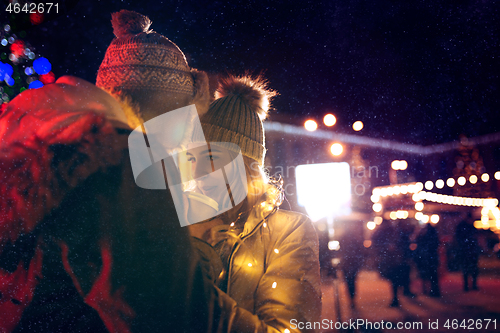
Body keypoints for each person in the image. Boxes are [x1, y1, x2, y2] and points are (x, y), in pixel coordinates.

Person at [0, 10, 214, 332]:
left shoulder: (22, 127)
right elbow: (171, 314)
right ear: (164, 113)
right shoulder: (122, 160)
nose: (183, 144)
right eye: (183, 122)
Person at [185, 74, 322, 332]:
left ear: (246, 165)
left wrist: (197, 291)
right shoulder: (181, 225)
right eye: (192, 157)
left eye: (211, 156)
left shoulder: (287, 232)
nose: (197, 170)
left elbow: (287, 329)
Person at [371, 219, 412, 307]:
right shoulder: (391, 232)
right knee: (395, 278)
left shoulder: (389, 232)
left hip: (393, 259)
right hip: (394, 259)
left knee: (395, 279)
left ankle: (396, 297)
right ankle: (397, 296)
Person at [338, 223, 365, 308]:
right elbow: (359, 250)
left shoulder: (344, 238)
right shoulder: (354, 238)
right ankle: (352, 298)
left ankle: (351, 298)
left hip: (348, 262)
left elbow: (341, 250)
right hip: (352, 262)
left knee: (349, 281)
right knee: (352, 280)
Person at [455, 211, 481, 291]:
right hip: (468, 250)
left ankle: (469, 285)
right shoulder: (467, 226)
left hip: (467, 250)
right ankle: (470, 285)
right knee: (469, 268)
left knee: (469, 268)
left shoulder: (464, 226)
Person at [414, 223, 441, 297]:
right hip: (431, 257)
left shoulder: (423, 236)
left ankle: (428, 290)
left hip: (426, 257)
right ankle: (434, 290)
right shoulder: (433, 236)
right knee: (433, 275)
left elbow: (419, 244)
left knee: (427, 274)